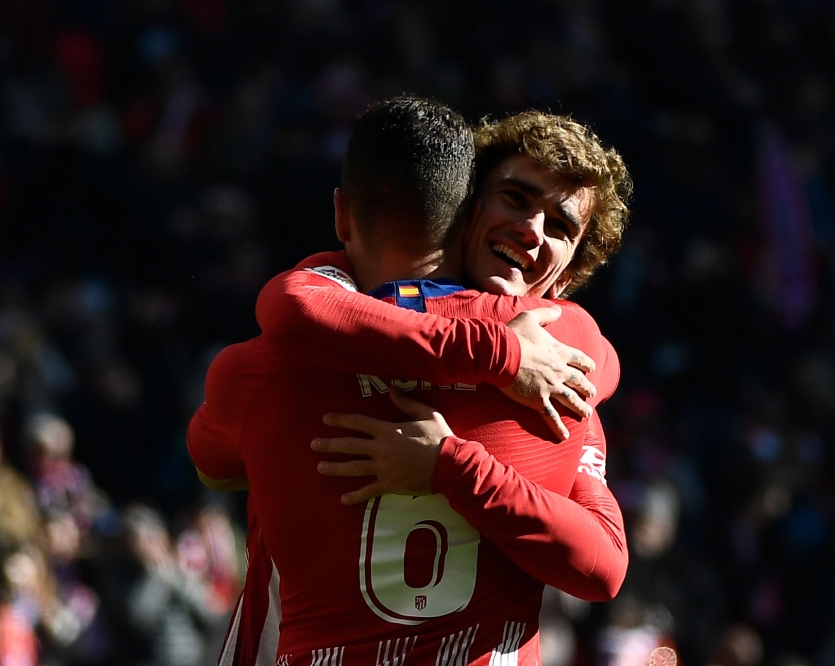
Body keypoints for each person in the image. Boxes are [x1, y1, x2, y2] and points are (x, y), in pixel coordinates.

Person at [189, 97, 629, 662]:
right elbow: (603, 567)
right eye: (516, 198)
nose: (530, 229)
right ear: (465, 209)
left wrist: (451, 465)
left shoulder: (265, 364)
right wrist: (500, 358)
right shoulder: (565, 374)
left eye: (560, 226)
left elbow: (215, 462)